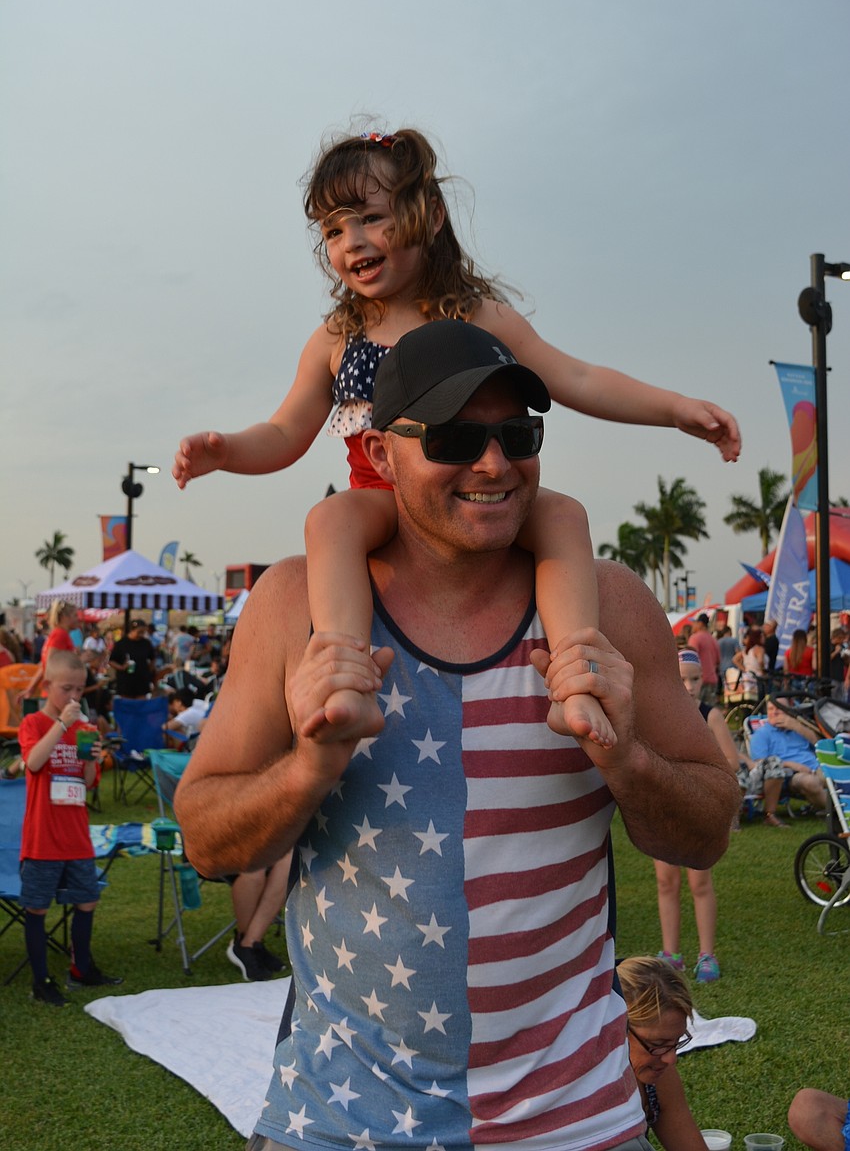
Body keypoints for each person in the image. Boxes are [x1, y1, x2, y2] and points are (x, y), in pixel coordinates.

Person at [175, 321, 740, 1151]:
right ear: (380, 453)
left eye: (518, 434)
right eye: (453, 438)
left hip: (570, 1122)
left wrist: (626, 755)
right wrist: (309, 767)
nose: (494, 463)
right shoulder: (297, 606)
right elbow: (206, 840)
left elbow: (707, 831)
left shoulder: (607, 607)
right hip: (342, 1122)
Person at [174, 127, 740, 753]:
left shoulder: (475, 315)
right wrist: (226, 451)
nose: (351, 241)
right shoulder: (338, 337)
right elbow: (285, 432)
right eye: (333, 230)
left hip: (476, 489)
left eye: (370, 218)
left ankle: (577, 675)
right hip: (385, 499)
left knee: (563, 515)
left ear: (430, 215)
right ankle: (345, 677)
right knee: (329, 519)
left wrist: (674, 409)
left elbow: (575, 377)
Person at [18, 650, 122, 1007]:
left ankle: (82, 969)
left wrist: (92, 761)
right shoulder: (33, 723)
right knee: (37, 908)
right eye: (67, 689)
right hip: (43, 837)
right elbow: (33, 762)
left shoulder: (85, 729)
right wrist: (61, 724)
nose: (75, 697)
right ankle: (41, 981)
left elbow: (87, 782)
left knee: (87, 899)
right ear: (47, 686)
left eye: (79, 690)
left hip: (76, 834)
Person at [653, 650, 738, 982]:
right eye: (682, 679)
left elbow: (731, 761)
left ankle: (706, 954)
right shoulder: (659, 715)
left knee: (700, 882)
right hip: (666, 810)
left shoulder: (710, 715)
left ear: (704, 679)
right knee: (666, 882)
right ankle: (671, 954)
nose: (688, 686)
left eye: (695, 679)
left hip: (699, 808)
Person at [616, 956, 707, 1151]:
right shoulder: (583, 1088)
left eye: (676, 1042)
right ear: (617, 1028)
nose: (671, 1059)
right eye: (658, 1044)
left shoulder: (656, 1075)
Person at [747, 696, 828, 821]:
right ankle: (839, 811)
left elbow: (822, 746)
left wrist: (797, 727)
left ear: (789, 710)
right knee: (810, 783)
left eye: (779, 708)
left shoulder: (798, 729)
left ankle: (836, 808)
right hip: (790, 774)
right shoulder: (762, 734)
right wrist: (791, 765)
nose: (774, 712)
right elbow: (760, 763)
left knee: (838, 776)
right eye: (770, 709)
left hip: (817, 766)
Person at [227, 855, 292, 983]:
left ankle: (249, 942)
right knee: (255, 867)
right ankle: (247, 946)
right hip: (209, 852)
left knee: (291, 861)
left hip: (262, 848)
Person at [21, 600, 79, 702]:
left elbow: (44, 665)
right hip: (58, 694)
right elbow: (50, 663)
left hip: (53, 692)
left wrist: (31, 688)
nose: (78, 619)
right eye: (75, 615)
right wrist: (80, 660)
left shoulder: (57, 634)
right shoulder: (60, 635)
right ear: (64, 617)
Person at [109, 617, 156, 698]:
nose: (141, 634)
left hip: (142, 682)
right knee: (127, 703)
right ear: (132, 630)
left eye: (143, 632)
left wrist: (149, 671)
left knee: (141, 703)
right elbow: (111, 661)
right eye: (139, 632)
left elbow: (153, 658)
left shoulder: (146, 643)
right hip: (125, 682)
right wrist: (121, 667)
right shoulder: (121, 644)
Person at [686, 613, 721, 704]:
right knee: (708, 710)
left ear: (700, 624)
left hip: (698, 681)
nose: (692, 625)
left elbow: (690, 660)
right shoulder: (713, 640)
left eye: (694, 623)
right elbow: (718, 661)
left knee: (695, 709)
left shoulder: (695, 638)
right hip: (712, 681)